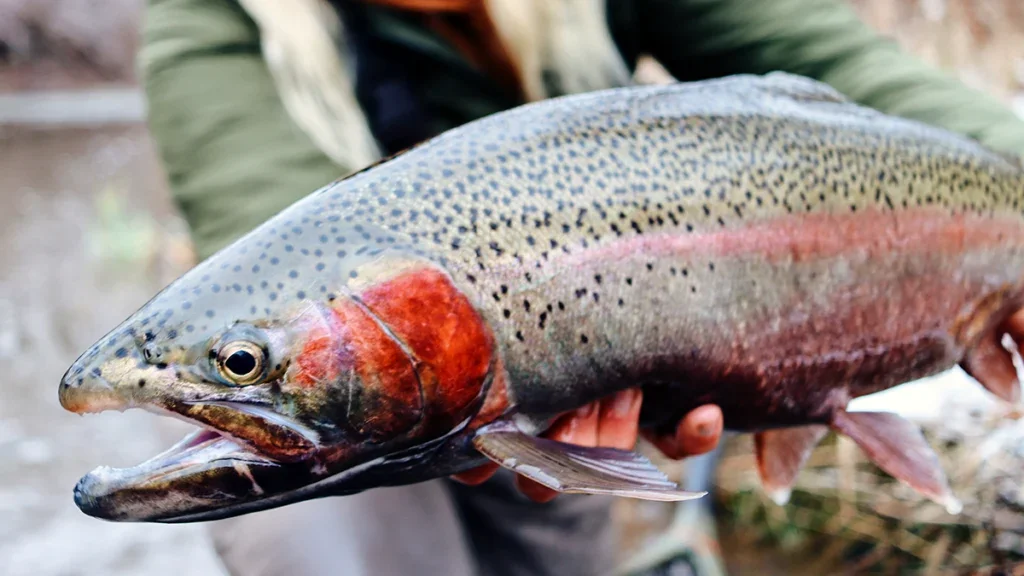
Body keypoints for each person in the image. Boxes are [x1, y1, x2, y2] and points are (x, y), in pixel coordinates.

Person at [138, 1, 1024, 575]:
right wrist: (256, 363)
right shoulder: (209, 21)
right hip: (377, 395)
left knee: (551, 543)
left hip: (553, 400)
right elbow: (288, 260)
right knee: (322, 554)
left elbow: (850, 73)